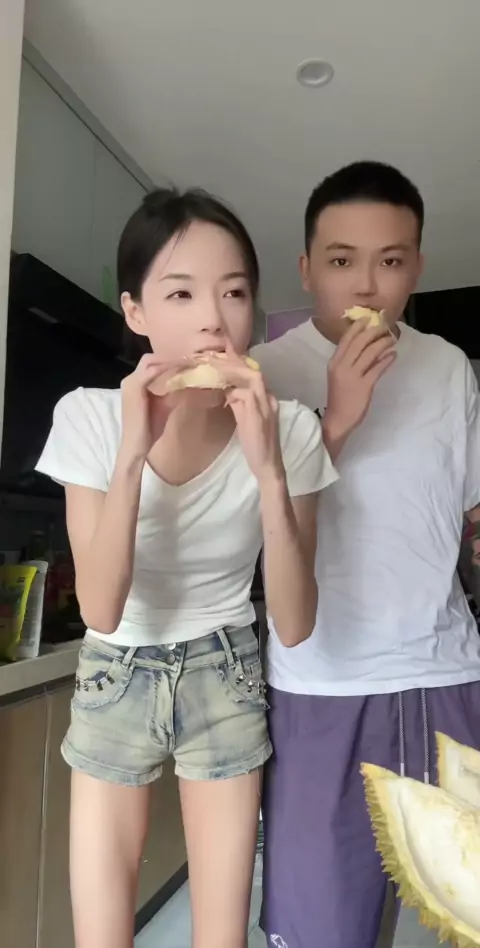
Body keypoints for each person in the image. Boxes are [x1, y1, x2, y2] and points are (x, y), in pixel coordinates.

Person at [36, 188, 337, 948]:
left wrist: (268, 469)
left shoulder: (290, 428)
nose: (214, 318)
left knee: (221, 935)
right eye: (181, 293)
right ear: (136, 312)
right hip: (115, 670)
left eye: (233, 292)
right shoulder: (88, 416)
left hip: (225, 670)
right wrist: (132, 451)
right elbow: (101, 610)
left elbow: (295, 624)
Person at [252, 160, 480, 948]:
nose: (367, 284)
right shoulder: (264, 375)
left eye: (391, 260)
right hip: (321, 684)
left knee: (466, 915)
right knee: (323, 927)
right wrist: (336, 419)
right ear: (306, 267)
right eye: (342, 259)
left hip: (447, 674)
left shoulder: (448, 366)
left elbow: (468, 509)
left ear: (417, 266)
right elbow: (248, 527)